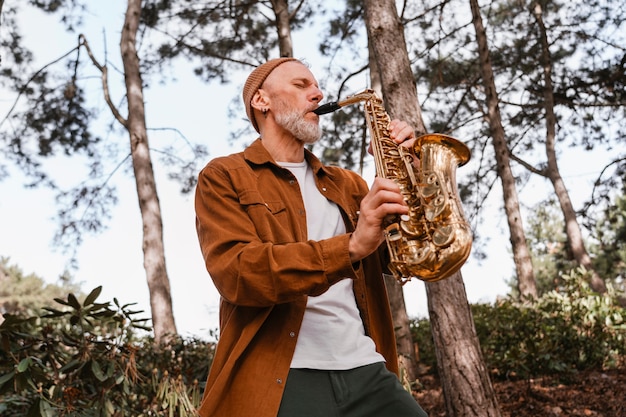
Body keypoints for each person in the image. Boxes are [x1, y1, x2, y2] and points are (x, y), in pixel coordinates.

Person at [194, 57, 429, 417]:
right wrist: (350, 247)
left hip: (365, 368)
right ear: (262, 101)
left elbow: (408, 256)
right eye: (301, 85)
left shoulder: (349, 184)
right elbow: (239, 273)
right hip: (282, 378)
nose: (318, 94)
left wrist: (411, 175)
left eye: (316, 87)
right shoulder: (224, 176)